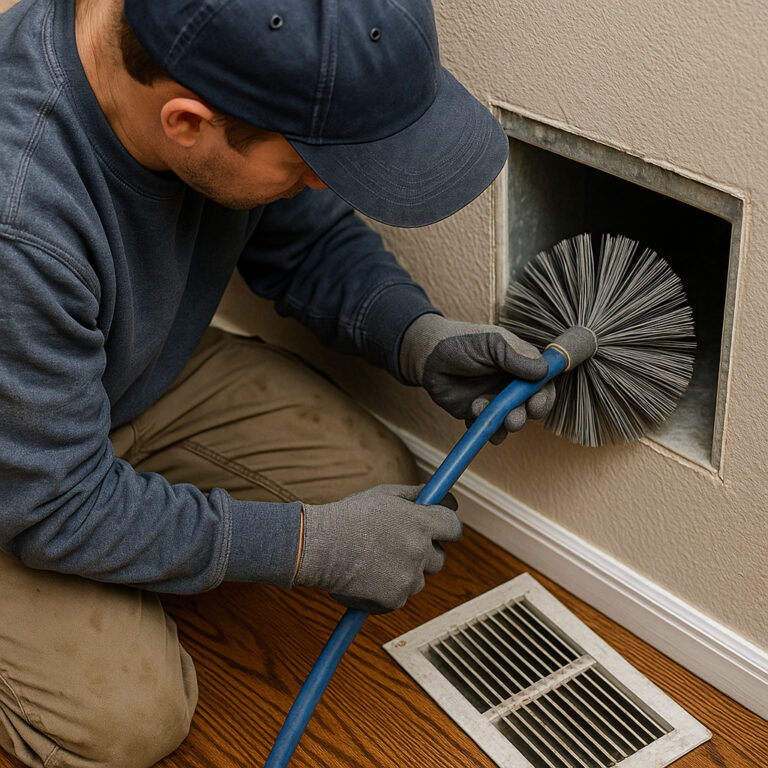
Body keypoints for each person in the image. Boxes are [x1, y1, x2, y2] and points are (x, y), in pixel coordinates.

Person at [0, 0, 555, 765]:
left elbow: (291, 228)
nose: (323, 185)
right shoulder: (22, 219)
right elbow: (52, 503)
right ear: (187, 123)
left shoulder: (193, 66)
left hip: (98, 385)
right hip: (23, 478)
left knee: (372, 481)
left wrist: (416, 337)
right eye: (307, 165)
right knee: (128, 722)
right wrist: (307, 548)